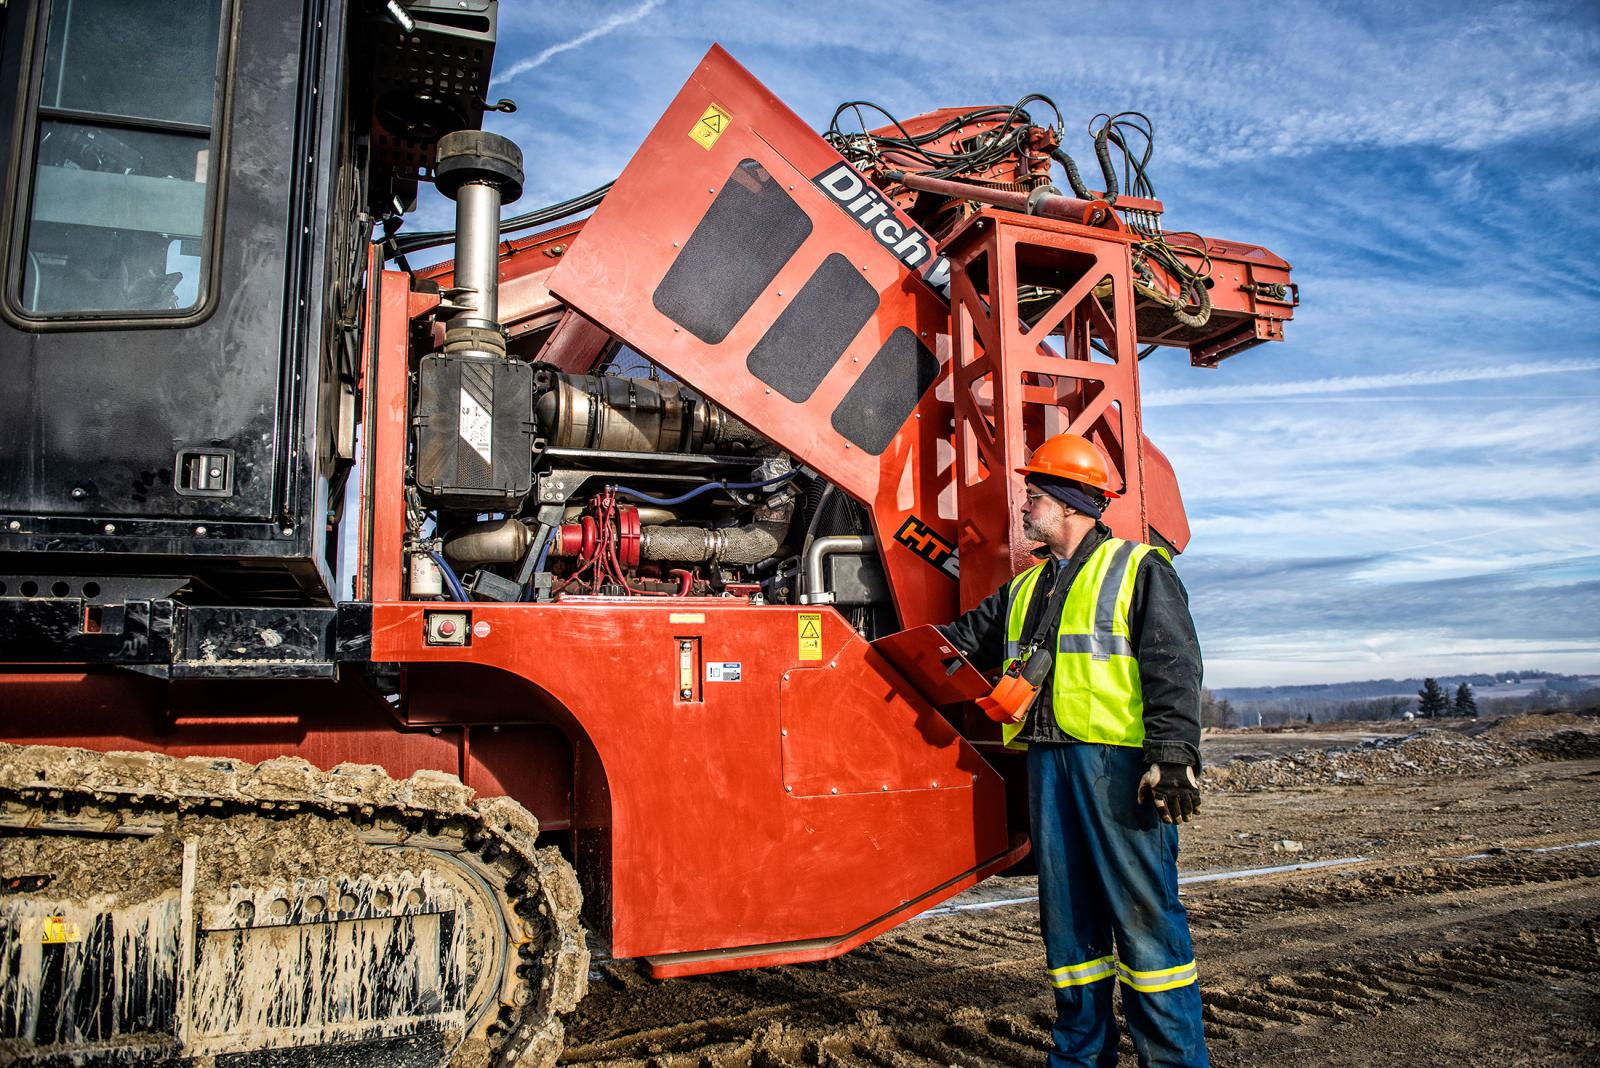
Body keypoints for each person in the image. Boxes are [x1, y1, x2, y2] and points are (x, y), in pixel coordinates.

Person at [939, 433, 1208, 1068]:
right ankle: (1081, 1058)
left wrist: (1172, 757)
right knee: (1068, 925)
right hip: (1050, 765)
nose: (1025, 503)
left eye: (1035, 494)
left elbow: (1172, 666)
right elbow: (961, 638)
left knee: (1144, 921)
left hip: (1115, 772)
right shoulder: (1028, 587)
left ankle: (1172, 1060)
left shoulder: (1139, 569)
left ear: (1067, 503)